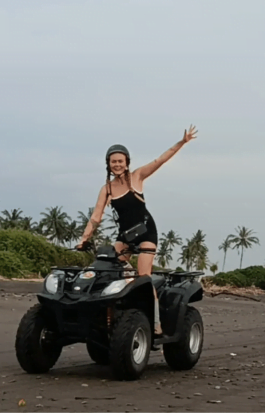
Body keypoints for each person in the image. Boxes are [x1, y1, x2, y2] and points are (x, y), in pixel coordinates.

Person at [76, 125, 198, 335]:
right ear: (108, 164)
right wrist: (83, 239)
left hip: (145, 233)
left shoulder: (137, 176)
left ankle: (156, 323)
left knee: (143, 276)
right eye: (113, 161)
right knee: (107, 269)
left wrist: (182, 142)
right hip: (125, 235)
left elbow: (160, 160)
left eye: (120, 161)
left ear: (126, 163)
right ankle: (111, 314)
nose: (116, 165)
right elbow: (96, 217)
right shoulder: (107, 189)